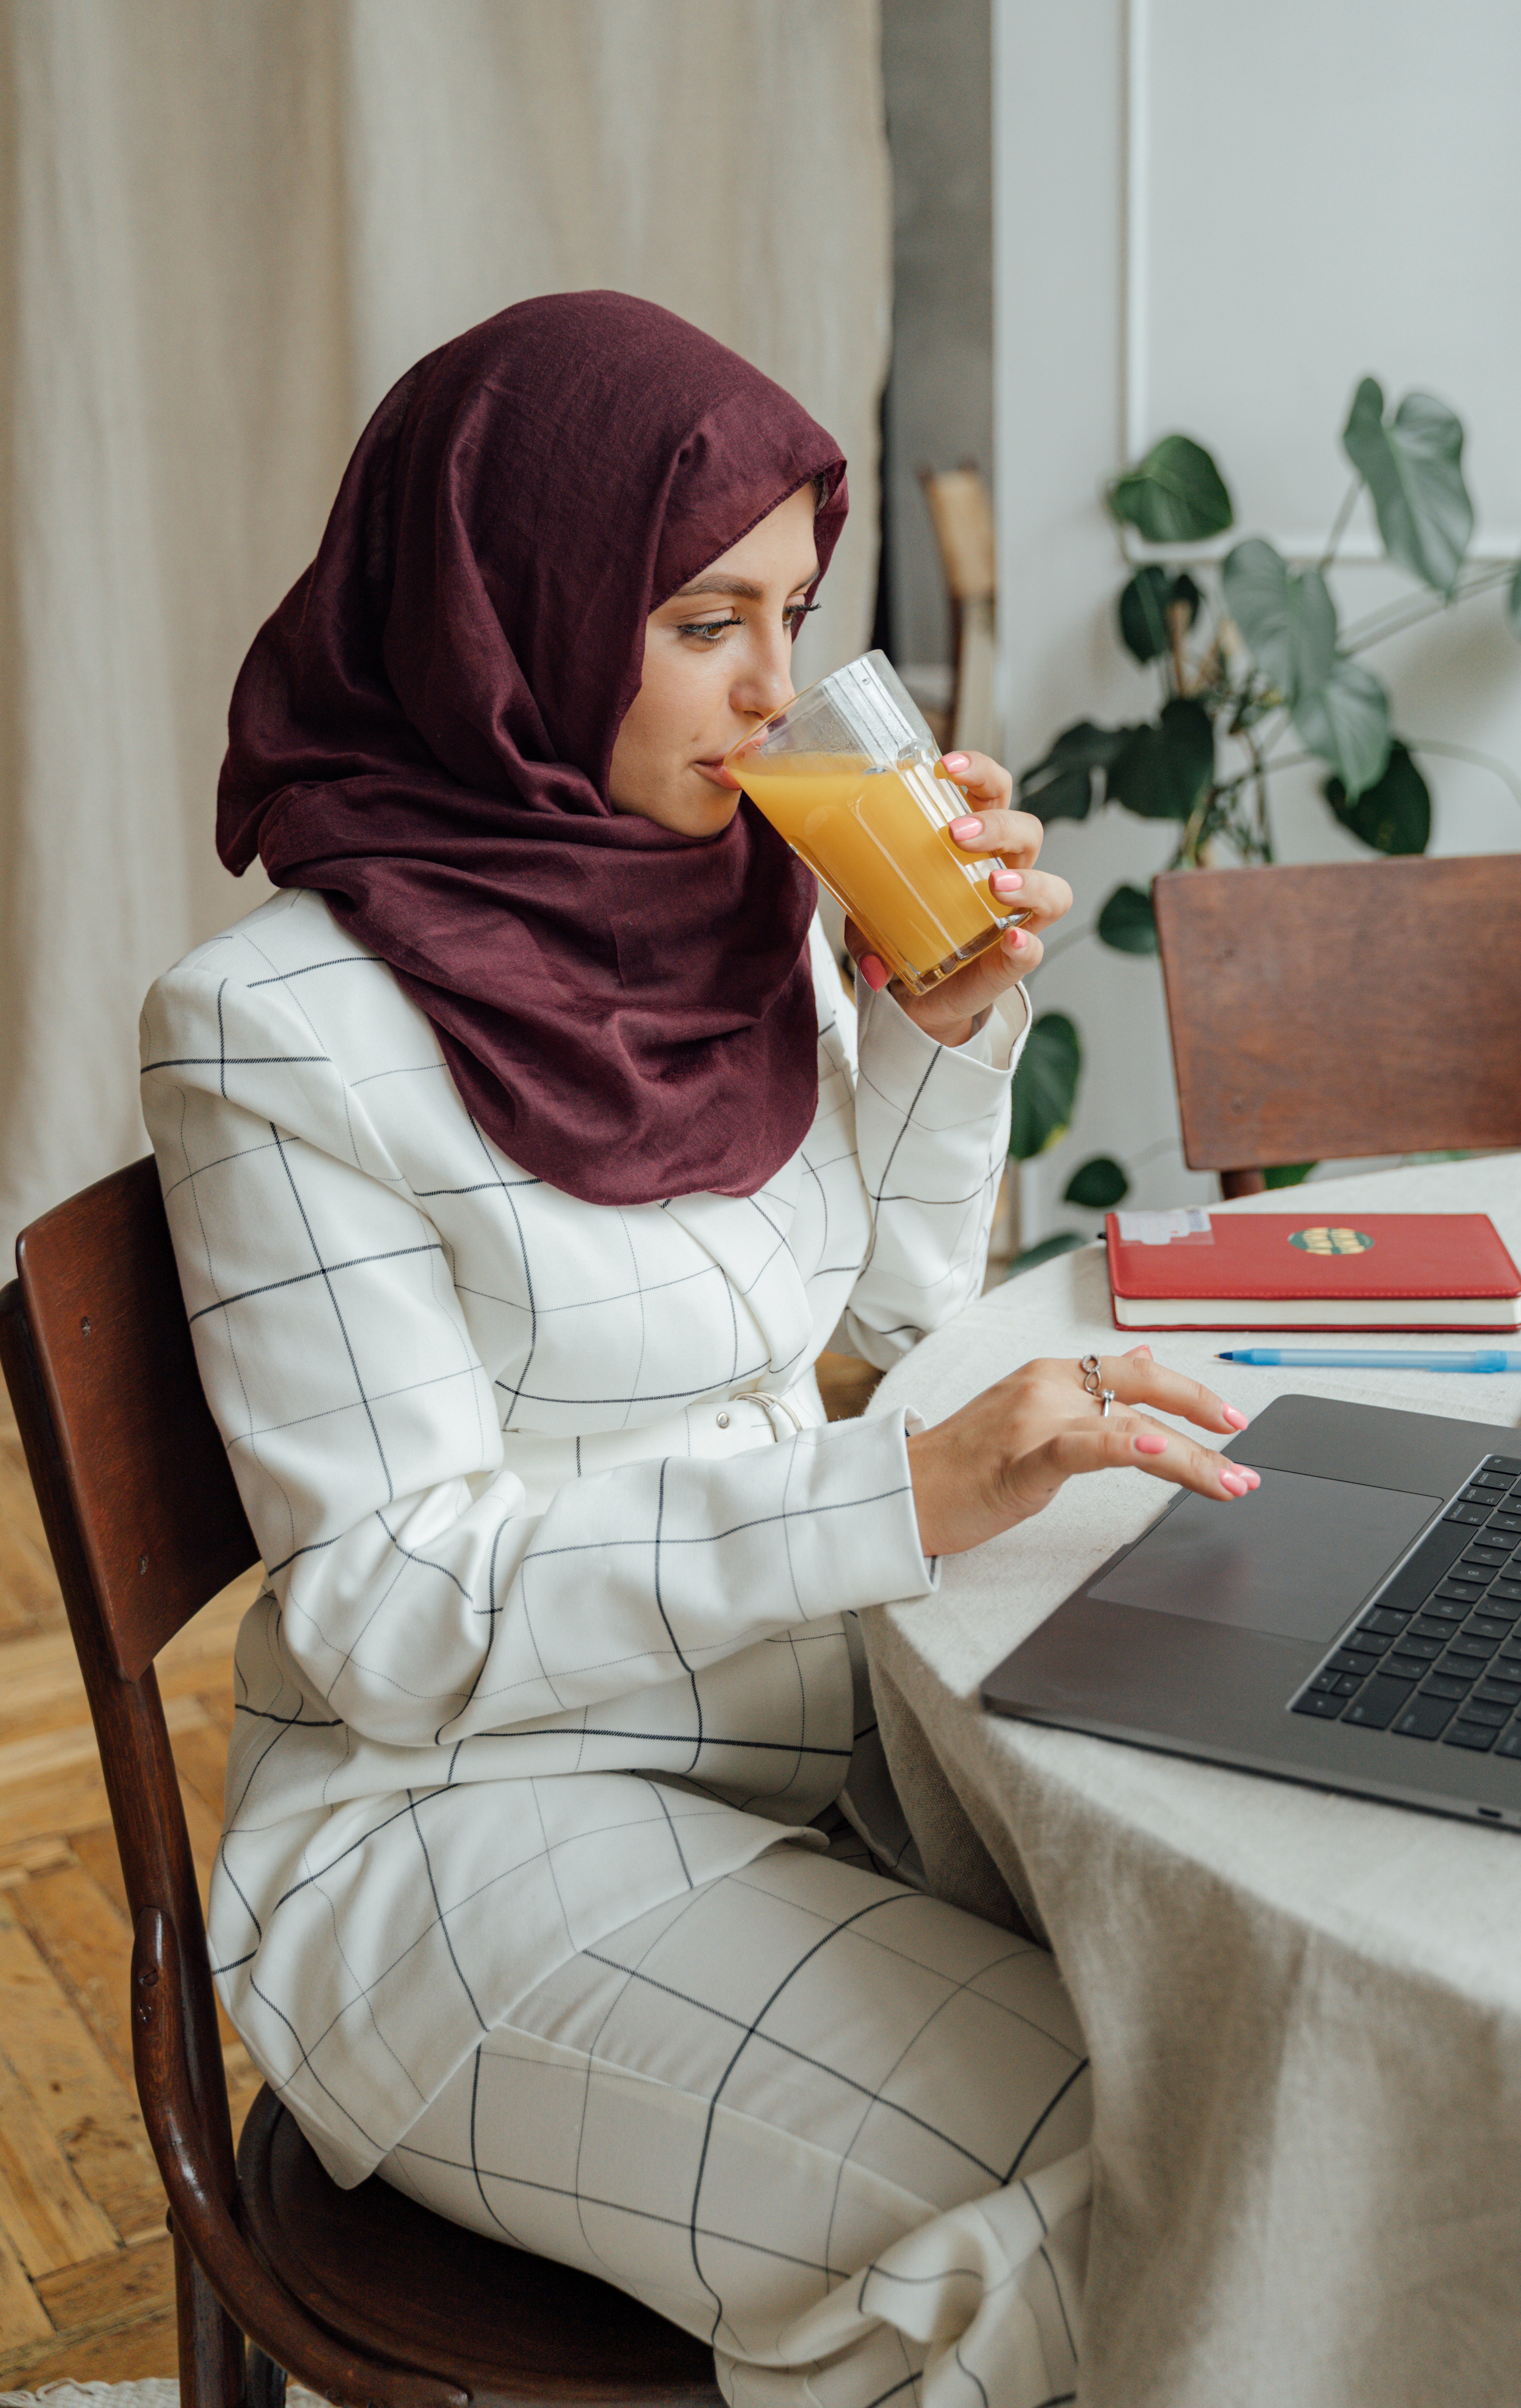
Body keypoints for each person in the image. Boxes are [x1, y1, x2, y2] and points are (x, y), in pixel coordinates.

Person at [140, 293, 1256, 2408]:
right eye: (699, 621)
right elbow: (383, 1617)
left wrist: (940, 1022)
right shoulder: (277, 1031)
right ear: (516, 615)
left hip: (808, 1739)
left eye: (799, 614)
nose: (777, 693)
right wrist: (886, 1496)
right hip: (458, 1835)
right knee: (1132, 2201)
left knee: (1261, 2068)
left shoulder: (737, 902)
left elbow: (889, 1315)